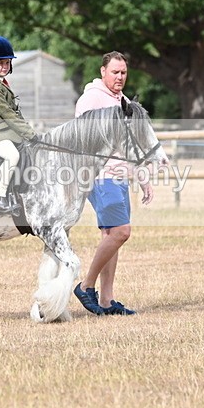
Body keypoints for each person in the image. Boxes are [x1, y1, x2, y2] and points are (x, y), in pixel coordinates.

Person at [73, 51, 154, 316]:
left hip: (119, 176)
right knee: (121, 232)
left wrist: (142, 178)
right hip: (100, 176)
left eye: (123, 73)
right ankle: (86, 286)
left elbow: (131, 144)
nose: (120, 77)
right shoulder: (91, 99)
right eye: (115, 72)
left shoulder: (124, 101)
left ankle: (106, 301)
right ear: (103, 71)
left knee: (111, 236)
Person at [0, 35, 39, 214]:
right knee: (12, 156)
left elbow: (15, 114)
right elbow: (8, 114)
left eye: (7, 62)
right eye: (0, 63)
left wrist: (29, 132)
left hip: (7, 132)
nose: (5, 66)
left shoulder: (1, 83)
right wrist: (30, 134)